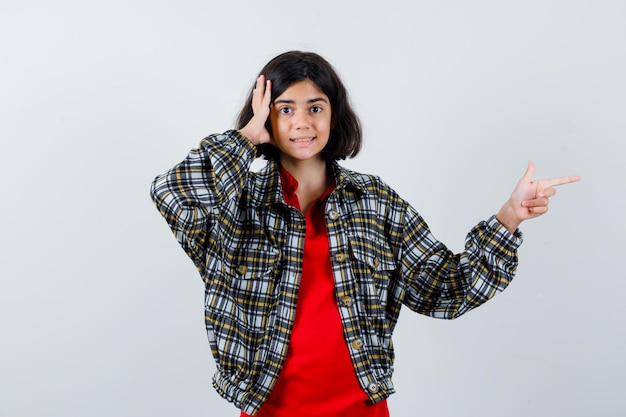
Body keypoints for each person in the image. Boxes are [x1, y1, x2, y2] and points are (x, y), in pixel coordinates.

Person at [150, 51, 580, 417]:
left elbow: (445, 289)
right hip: (267, 408)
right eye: (285, 109)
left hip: (361, 409)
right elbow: (171, 193)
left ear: (334, 115)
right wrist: (245, 137)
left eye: (315, 107)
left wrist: (507, 218)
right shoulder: (236, 202)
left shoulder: (374, 201)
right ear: (267, 117)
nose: (302, 122)